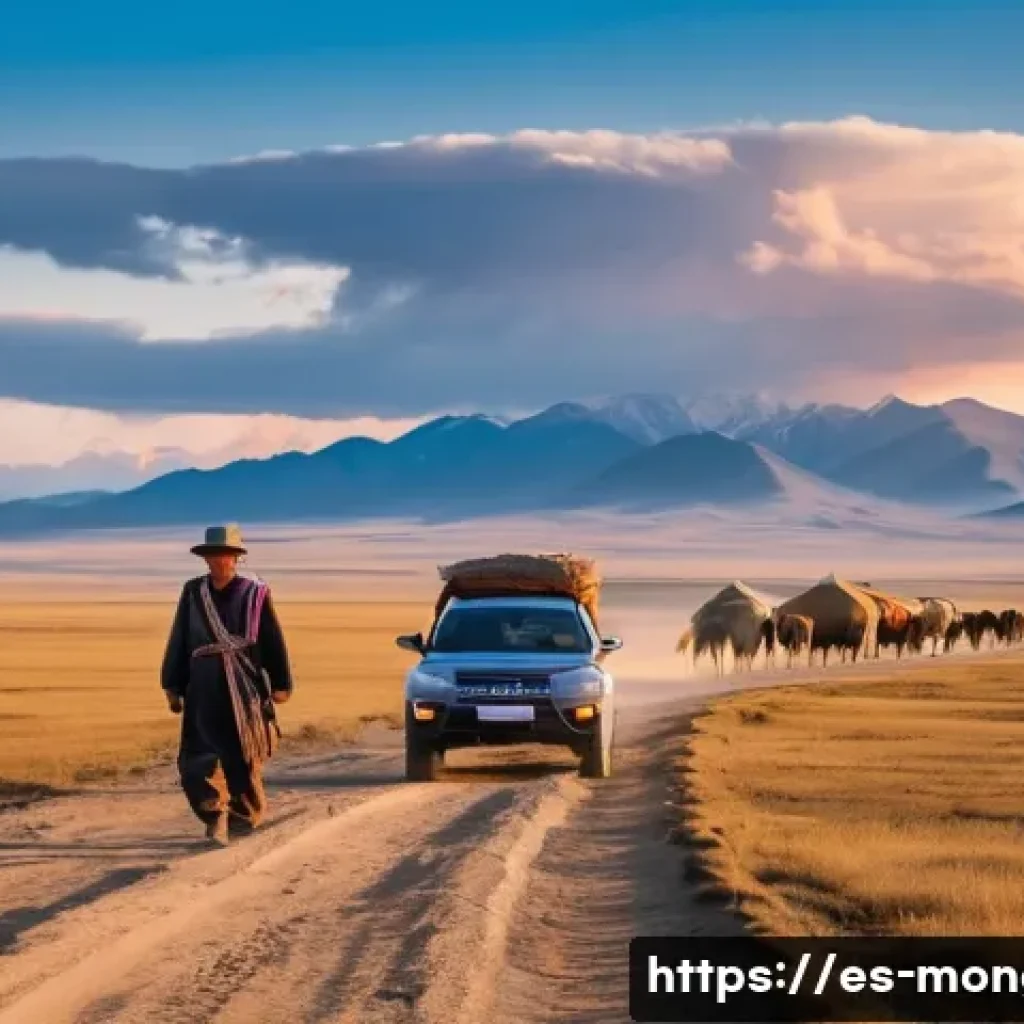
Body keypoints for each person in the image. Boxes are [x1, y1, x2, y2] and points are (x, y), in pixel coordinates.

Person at [160, 524, 293, 846]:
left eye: (225, 555)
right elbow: (179, 637)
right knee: (195, 761)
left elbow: (272, 638)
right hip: (203, 686)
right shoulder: (193, 592)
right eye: (213, 555)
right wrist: (172, 683)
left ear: (236, 558)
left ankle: (244, 816)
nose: (219, 561)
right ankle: (212, 812)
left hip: (242, 686)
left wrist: (281, 682)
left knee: (243, 756)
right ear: (205, 560)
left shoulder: (255, 594)